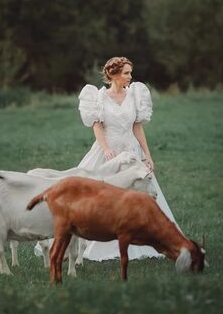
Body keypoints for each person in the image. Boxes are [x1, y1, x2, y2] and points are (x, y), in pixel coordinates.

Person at [77, 56, 179, 261]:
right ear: (113, 75)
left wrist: (147, 155)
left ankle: (140, 240)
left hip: (132, 151)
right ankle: (97, 241)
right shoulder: (99, 97)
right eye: (126, 73)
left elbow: (137, 127)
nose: (130, 76)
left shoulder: (134, 95)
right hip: (108, 151)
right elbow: (97, 126)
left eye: (130, 72)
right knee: (102, 197)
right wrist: (106, 149)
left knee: (138, 196)